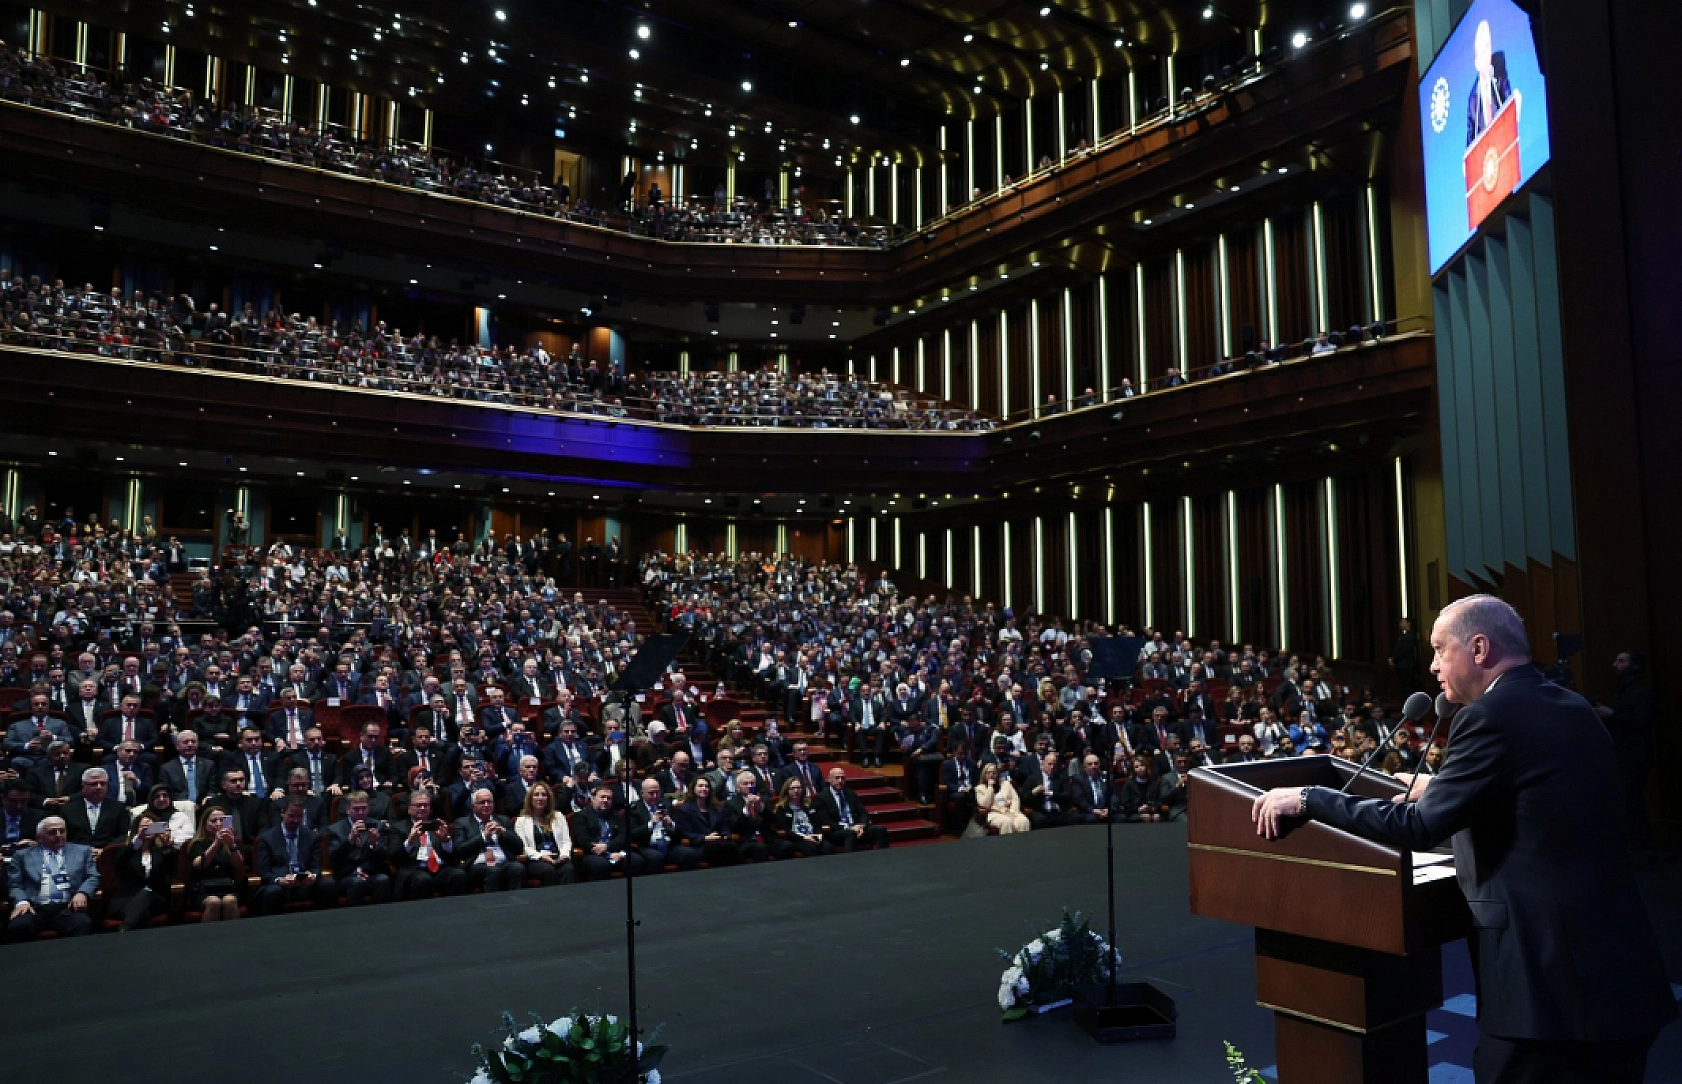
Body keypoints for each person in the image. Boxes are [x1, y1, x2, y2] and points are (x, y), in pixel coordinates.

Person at [1253, 595, 1677, 1083]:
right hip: (1621, 977)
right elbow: (1544, 800)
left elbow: (1417, 827)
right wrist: (1443, 787)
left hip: (1545, 997)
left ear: (1478, 648)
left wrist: (1311, 798)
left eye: (1439, 650)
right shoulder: (1573, 706)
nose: (1432, 666)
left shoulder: (1488, 715)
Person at [255, 797, 335, 915]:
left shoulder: (311, 837)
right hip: (280, 886)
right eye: (291, 816)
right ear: (282, 813)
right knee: (273, 892)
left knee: (328, 884)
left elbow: (316, 866)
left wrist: (312, 875)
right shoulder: (267, 839)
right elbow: (264, 872)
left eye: (299, 816)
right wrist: (280, 880)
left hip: (305, 884)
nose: (296, 820)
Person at [108, 805, 176, 930]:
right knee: (142, 914)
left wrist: (167, 847)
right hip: (126, 900)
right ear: (136, 830)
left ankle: (124, 930)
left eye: (151, 827)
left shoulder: (161, 852)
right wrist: (138, 840)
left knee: (146, 894)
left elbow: (172, 871)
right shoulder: (127, 850)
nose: (147, 830)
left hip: (155, 900)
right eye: (144, 827)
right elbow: (118, 864)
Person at [390, 789, 464, 900]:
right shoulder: (398, 827)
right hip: (414, 869)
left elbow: (453, 856)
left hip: (440, 868)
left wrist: (445, 841)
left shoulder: (438, 825)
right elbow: (394, 858)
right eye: (419, 805)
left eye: (426, 805)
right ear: (409, 809)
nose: (423, 808)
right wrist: (410, 841)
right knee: (422, 879)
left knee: (458, 875)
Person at [327, 790, 393, 906]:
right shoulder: (335, 829)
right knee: (357, 883)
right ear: (348, 810)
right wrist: (350, 840)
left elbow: (384, 857)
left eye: (364, 808)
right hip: (347, 876)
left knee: (383, 879)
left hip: (370, 873)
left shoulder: (378, 826)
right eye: (356, 809)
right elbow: (334, 858)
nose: (361, 812)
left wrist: (374, 844)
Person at [454, 787, 526, 892]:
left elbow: (519, 847)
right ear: (473, 806)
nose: (487, 805)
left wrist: (504, 833)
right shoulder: (462, 823)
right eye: (482, 802)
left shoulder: (503, 820)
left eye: (490, 802)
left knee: (517, 868)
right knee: (493, 872)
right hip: (477, 865)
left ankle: (517, 901)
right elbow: (459, 850)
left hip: (503, 862)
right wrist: (484, 836)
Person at [186, 806, 245, 922]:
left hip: (227, 887)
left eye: (222, 820)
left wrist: (232, 845)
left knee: (230, 901)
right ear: (205, 824)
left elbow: (238, 864)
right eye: (213, 821)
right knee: (214, 902)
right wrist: (216, 843)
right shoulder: (197, 843)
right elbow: (200, 865)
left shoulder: (233, 842)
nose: (218, 824)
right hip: (203, 889)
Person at [813, 766, 890, 852]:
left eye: (842, 778)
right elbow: (826, 821)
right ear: (829, 779)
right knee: (850, 834)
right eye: (837, 778)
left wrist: (861, 826)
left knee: (880, 830)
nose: (840, 781)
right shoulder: (822, 797)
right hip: (837, 831)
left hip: (856, 828)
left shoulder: (850, 793)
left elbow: (863, 813)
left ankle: (883, 856)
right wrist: (848, 828)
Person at [514, 782, 576, 886]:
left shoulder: (558, 816)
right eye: (536, 795)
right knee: (548, 870)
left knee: (568, 869)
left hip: (558, 856)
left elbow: (566, 841)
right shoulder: (521, 821)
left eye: (544, 795)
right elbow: (523, 847)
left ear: (548, 798)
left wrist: (564, 855)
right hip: (535, 859)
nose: (540, 798)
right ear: (530, 798)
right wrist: (541, 856)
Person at [771, 777, 829, 857]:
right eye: (792, 788)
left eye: (798, 788)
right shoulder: (782, 808)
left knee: (827, 847)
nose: (796, 791)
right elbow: (786, 831)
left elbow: (817, 823)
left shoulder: (809, 805)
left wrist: (819, 833)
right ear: (787, 790)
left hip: (813, 836)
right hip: (796, 839)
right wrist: (804, 837)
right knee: (810, 848)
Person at [974, 761, 1029, 834]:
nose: (991, 775)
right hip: (994, 813)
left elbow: (1015, 799)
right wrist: (990, 787)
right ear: (984, 775)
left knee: (1023, 821)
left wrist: (1013, 811)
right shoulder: (980, 788)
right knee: (1007, 822)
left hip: (1011, 811)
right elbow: (985, 805)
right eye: (988, 773)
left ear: (997, 774)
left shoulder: (1006, 783)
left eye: (994, 773)